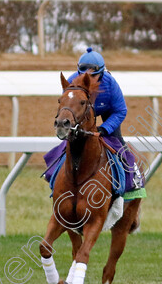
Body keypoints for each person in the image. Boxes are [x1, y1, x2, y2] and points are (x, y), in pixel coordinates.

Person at [43, 47, 142, 191]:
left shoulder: (110, 84)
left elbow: (120, 111)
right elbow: (67, 107)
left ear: (101, 73)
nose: (86, 80)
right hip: (82, 114)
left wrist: (105, 128)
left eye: (92, 76)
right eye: (83, 75)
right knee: (69, 142)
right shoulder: (71, 81)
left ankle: (132, 177)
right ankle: (53, 174)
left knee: (118, 143)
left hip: (107, 112)